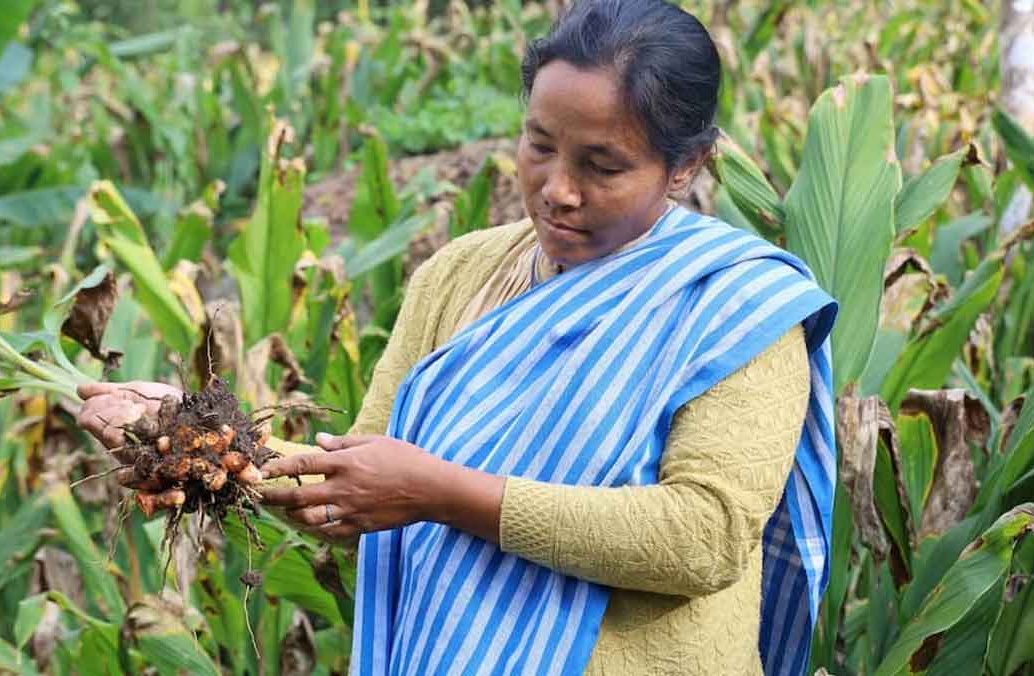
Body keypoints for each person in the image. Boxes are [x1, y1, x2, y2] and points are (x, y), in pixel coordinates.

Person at [78, 1, 838, 674]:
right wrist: (194, 443)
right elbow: (359, 485)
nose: (557, 189)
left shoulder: (737, 307)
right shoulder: (460, 274)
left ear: (687, 166)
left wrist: (441, 496)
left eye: (603, 166)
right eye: (540, 145)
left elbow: (703, 538)